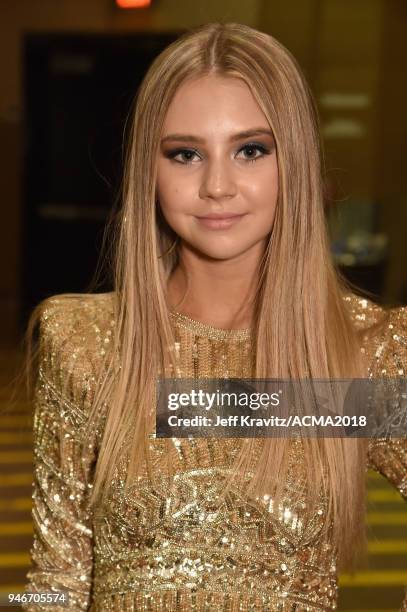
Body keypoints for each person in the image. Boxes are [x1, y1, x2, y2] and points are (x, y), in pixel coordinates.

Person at [22, 22, 406, 611]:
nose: (217, 186)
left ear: (295, 162)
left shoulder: (359, 354)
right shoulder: (85, 344)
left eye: (251, 150)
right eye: (185, 154)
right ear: (148, 170)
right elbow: (57, 582)